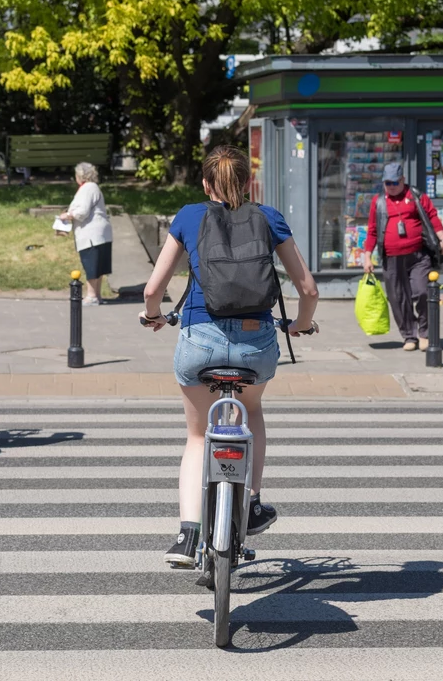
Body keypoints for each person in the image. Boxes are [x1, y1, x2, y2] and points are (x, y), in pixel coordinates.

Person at [139, 145, 319, 568]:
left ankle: (188, 534)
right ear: (247, 182)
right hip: (256, 343)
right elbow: (307, 289)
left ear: (205, 183)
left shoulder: (187, 216)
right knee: (251, 410)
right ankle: (252, 503)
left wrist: (154, 317)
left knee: (198, 435)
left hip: (199, 341)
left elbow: (152, 290)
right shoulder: (269, 217)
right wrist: (299, 324)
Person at [363, 163, 443, 351]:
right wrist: (367, 256)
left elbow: (432, 217)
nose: (392, 186)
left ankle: (425, 333)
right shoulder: (378, 202)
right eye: (388, 183)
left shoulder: (416, 196)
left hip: (418, 255)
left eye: (395, 182)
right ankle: (409, 336)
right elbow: (372, 230)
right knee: (398, 298)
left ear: (403, 180)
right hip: (391, 258)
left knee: (423, 291)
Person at [58, 162, 112, 306]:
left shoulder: (87, 188)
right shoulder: (92, 188)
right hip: (100, 234)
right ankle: (97, 295)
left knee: (91, 265)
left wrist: (67, 215)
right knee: (98, 267)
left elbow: (82, 212)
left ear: (80, 175)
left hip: (91, 235)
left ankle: (91, 296)